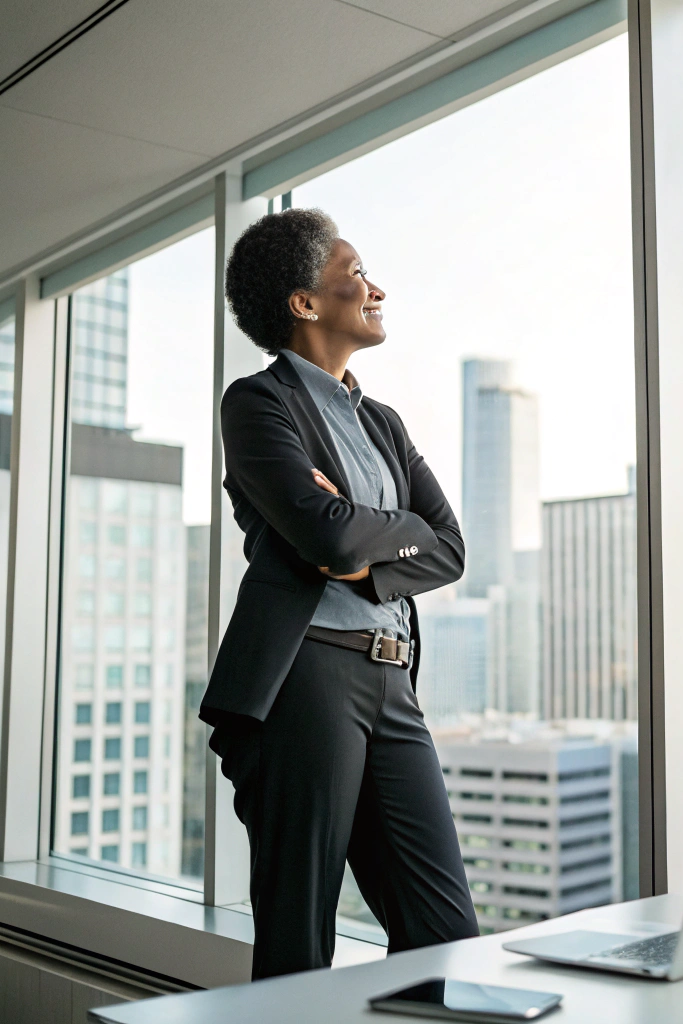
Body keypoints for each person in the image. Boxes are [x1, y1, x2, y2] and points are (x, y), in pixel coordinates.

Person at [199, 207, 478, 980]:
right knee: (298, 942)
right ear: (305, 302)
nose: (375, 287)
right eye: (356, 273)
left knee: (447, 935)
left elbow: (449, 547)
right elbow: (326, 537)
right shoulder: (258, 405)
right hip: (306, 676)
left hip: (393, 679)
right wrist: (371, 534)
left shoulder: (382, 422)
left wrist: (358, 535)